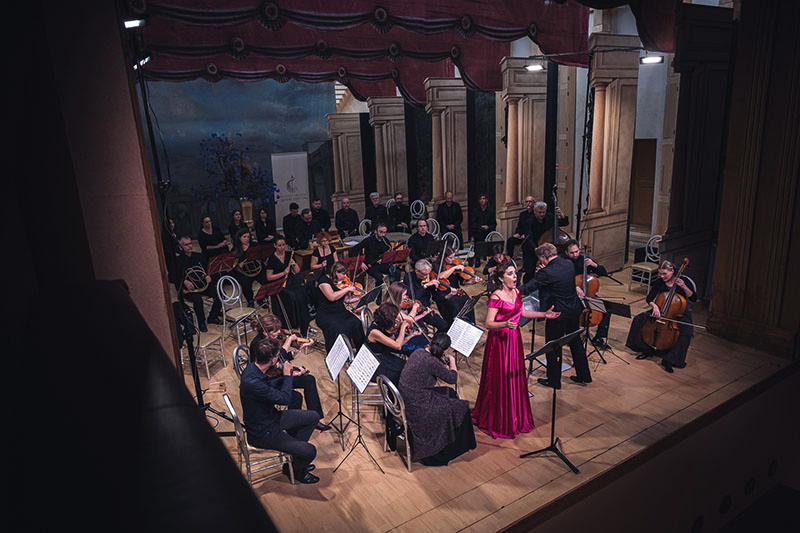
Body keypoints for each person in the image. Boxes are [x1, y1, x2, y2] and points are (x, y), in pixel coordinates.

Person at [472, 261, 560, 438]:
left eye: (515, 273)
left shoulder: (517, 292)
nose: (515, 277)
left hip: (514, 340)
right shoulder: (496, 297)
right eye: (511, 274)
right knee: (500, 378)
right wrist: (505, 323)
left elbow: (524, 313)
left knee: (514, 376)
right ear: (501, 278)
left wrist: (544, 314)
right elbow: (489, 323)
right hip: (499, 342)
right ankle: (499, 418)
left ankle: (514, 416)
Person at [239, 337, 320, 484]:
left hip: (271, 417)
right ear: (273, 359)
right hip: (263, 432)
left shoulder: (253, 368)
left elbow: (269, 384)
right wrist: (287, 375)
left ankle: (294, 462)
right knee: (310, 451)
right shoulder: (251, 382)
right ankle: (298, 472)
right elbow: (285, 399)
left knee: (313, 417)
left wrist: (286, 375)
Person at [398, 332, 476, 466]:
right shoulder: (432, 361)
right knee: (462, 407)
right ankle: (450, 444)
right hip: (418, 404)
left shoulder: (418, 352)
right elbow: (452, 378)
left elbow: (432, 368)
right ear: (445, 350)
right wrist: (452, 361)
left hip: (408, 396)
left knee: (450, 393)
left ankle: (451, 431)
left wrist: (442, 364)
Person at [520, 243, 592, 389]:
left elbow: (529, 287)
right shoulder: (568, 264)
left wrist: (509, 290)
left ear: (543, 257)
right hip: (573, 310)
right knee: (575, 343)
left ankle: (554, 381)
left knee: (553, 347)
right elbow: (557, 278)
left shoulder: (546, 272)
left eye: (541, 260)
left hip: (557, 314)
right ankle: (584, 375)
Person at [248, 313, 331, 431]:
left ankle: (315, 418)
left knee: (309, 380)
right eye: (275, 331)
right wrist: (290, 340)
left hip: (277, 372)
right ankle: (293, 427)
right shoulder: (258, 345)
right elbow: (275, 359)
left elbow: (281, 358)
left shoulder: (272, 339)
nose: (279, 333)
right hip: (268, 380)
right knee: (296, 397)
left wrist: (298, 349)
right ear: (265, 332)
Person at [625, 260, 697, 373]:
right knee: (639, 319)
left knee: (686, 332)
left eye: (664, 273)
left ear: (672, 271)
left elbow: (694, 298)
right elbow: (649, 298)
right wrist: (654, 306)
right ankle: (646, 349)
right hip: (660, 309)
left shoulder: (684, 281)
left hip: (678, 312)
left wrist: (684, 287)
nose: (662, 276)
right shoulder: (660, 282)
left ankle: (669, 359)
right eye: (660, 273)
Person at [565, 239, 612, 348]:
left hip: (588, 294)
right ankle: (571, 337)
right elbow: (561, 279)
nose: (575, 254)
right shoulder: (564, 262)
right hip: (571, 294)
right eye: (572, 253)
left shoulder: (584, 260)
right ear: (567, 253)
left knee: (607, 309)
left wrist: (594, 265)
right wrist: (575, 287)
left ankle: (599, 337)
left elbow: (604, 273)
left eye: (577, 251)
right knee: (571, 311)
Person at [264, 235, 312, 336]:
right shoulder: (271, 259)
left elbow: (297, 271)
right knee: (292, 296)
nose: (282, 247)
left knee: (302, 291)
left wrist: (294, 264)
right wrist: (282, 273)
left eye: (283, 245)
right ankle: (291, 322)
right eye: (279, 245)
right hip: (279, 283)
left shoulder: (290, 254)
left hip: (290, 280)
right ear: (275, 246)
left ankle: (303, 319)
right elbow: (269, 277)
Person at [174, 236, 223, 332]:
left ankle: (213, 317)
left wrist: (208, 276)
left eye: (190, 243)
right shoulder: (177, 260)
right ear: (180, 247)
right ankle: (201, 322)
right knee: (198, 300)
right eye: (186, 245)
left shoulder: (199, 256)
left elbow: (206, 271)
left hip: (202, 286)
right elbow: (172, 277)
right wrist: (184, 281)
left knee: (220, 293)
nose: (189, 246)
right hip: (189, 289)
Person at [314, 261, 365, 351]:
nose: (345, 276)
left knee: (357, 323)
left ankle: (360, 351)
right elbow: (332, 297)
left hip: (340, 311)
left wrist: (359, 299)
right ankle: (339, 354)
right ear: (336, 272)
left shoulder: (338, 282)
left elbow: (345, 300)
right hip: (326, 314)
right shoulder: (323, 281)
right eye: (343, 274)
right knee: (339, 328)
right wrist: (347, 289)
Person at [364, 302, 413, 384]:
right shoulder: (374, 332)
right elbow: (397, 346)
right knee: (400, 374)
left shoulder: (383, 326)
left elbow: (394, 343)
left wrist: (411, 335)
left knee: (407, 367)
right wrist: (402, 328)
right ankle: (396, 395)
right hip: (374, 363)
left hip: (384, 356)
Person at [520, 201, 569, 283]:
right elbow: (528, 237)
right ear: (535, 212)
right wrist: (536, 248)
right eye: (539, 212)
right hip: (532, 248)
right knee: (530, 270)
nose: (542, 214)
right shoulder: (529, 221)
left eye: (543, 212)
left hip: (547, 249)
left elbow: (564, 223)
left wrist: (562, 215)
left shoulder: (549, 217)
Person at [402, 260, 449, 333]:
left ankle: (434, 343)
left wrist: (447, 295)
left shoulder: (430, 278)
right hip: (412, 310)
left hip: (426, 309)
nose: (427, 276)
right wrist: (425, 286)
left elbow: (436, 297)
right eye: (424, 274)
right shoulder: (408, 277)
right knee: (423, 332)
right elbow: (412, 297)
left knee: (444, 326)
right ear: (417, 271)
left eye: (428, 273)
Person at [431, 247, 474, 326]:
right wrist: (454, 268)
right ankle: (455, 327)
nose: (453, 259)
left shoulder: (454, 264)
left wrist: (474, 281)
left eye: (454, 257)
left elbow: (463, 281)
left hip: (456, 290)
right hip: (443, 293)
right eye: (450, 257)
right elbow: (440, 276)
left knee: (468, 302)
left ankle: (469, 325)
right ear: (444, 257)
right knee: (455, 306)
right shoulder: (436, 265)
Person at [352, 221, 398, 293]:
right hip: (371, 266)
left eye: (385, 232)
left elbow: (388, 254)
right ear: (375, 231)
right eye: (381, 232)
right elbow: (355, 249)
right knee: (380, 278)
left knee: (397, 272)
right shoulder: (368, 241)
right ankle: (377, 296)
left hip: (382, 265)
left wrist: (385, 259)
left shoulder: (386, 241)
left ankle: (394, 293)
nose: (383, 235)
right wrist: (361, 263)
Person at [231, 228, 264, 307]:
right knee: (245, 285)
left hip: (256, 269)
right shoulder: (235, 249)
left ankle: (261, 298)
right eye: (244, 237)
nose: (247, 239)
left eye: (248, 237)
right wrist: (239, 265)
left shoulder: (255, 245)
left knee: (266, 280)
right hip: (244, 272)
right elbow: (232, 265)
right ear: (239, 238)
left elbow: (262, 256)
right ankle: (250, 300)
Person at [161, 217, 181, 284]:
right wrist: (173, 253)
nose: (172, 225)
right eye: (170, 223)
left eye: (173, 222)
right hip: (171, 258)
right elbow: (166, 248)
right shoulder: (164, 235)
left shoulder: (176, 233)